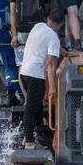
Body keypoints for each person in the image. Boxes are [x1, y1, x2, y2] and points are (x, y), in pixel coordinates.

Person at [19, 11, 64, 149]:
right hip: (35, 76)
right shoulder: (54, 38)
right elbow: (51, 64)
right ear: (61, 24)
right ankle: (29, 142)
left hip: (23, 73)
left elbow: (45, 44)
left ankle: (32, 136)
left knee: (36, 107)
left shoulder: (38, 26)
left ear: (48, 19)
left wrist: (65, 53)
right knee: (31, 109)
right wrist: (51, 87)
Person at [10, 0, 52, 65]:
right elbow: (47, 10)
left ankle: (23, 81)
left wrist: (14, 35)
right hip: (39, 31)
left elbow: (12, 14)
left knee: (22, 64)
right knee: (41, 63)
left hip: (22, 32)